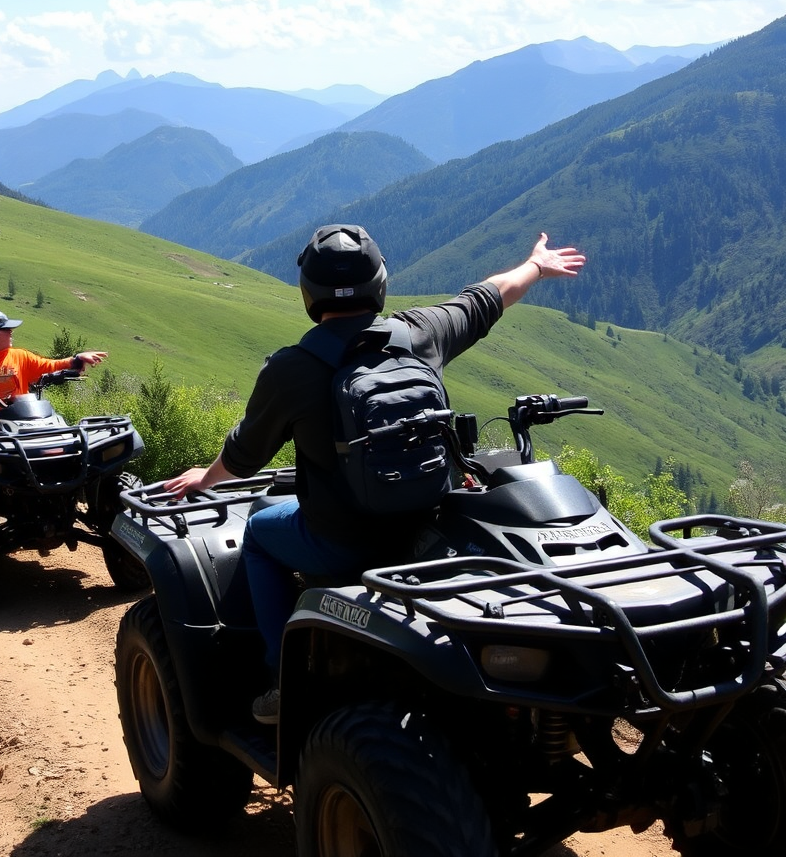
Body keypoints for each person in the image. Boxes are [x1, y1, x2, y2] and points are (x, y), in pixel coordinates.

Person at [164, 225, 586, 723]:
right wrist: (536, 264)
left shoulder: (291, 369)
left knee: (258, 532)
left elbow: (243, 458)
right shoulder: (422, 333)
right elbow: (488, 296)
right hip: (429, 531)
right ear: (380, 283)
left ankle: (282, 679)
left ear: (309, 294)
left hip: (343, 541)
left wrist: (203, 478)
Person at [0, 309, 108, 435]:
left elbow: (48, 365)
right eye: (8, 330)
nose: (12, 332)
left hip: (22, 421)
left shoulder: (19, 356)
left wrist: (76, 360)